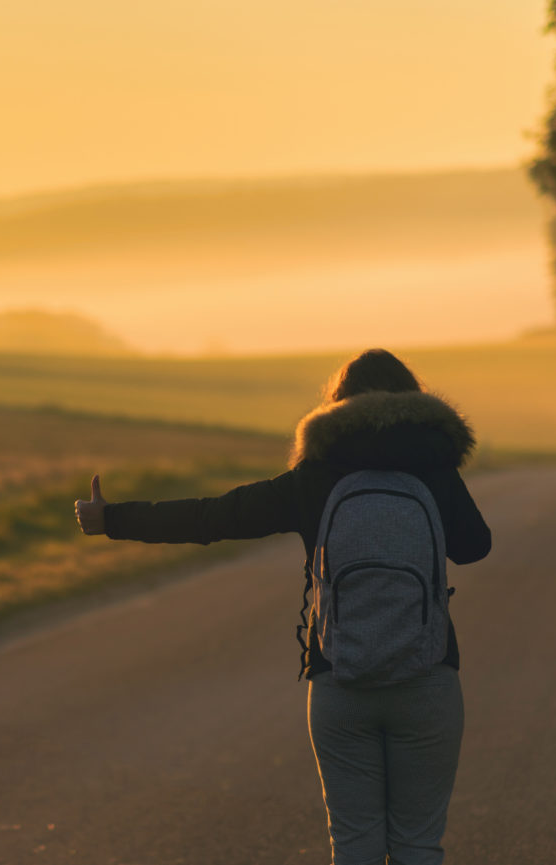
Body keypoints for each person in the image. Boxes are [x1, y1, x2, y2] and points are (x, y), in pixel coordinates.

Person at [74, 348, 491, 865]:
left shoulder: (315, 475)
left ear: (338, 406)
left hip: (340, 678)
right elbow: (475, 547)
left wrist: (113, 519)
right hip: (426, 677)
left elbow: (214, 518)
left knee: (356, 842)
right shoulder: (435, 467)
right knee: (418, 844)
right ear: (413, 400)